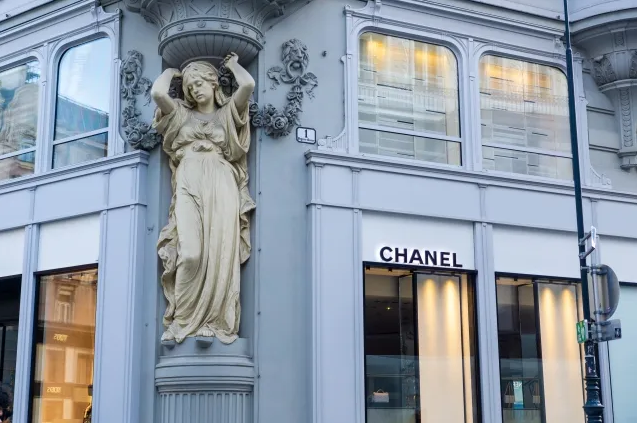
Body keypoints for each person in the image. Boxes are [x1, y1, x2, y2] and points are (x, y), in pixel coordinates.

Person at [151, 53, 256, 344]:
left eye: (199, 83)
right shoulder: (181, 114)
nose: (195, 89)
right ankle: (181, 321)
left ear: (213, 84)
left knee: (221, 253)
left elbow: (247, 85)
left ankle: (215, 319)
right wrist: (173, 71)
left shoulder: (226, 114)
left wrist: (232, 66)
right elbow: (158, 93)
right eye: (189, 86)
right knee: (191, 253)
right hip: (188, 178)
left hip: (221, 181)